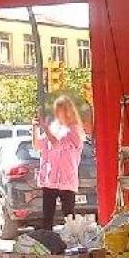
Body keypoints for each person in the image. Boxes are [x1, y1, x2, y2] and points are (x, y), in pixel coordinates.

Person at [32, 96, 85, 227]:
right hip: (50, 179)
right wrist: (35, 128)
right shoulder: (53, 128)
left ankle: (71, 241)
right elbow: (38, 145)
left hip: (67, 180)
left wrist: (45, 127)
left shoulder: (74, 129)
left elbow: (56, 143)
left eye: (60, 110)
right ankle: (48, 242)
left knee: (69, 216)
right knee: (47, 216)